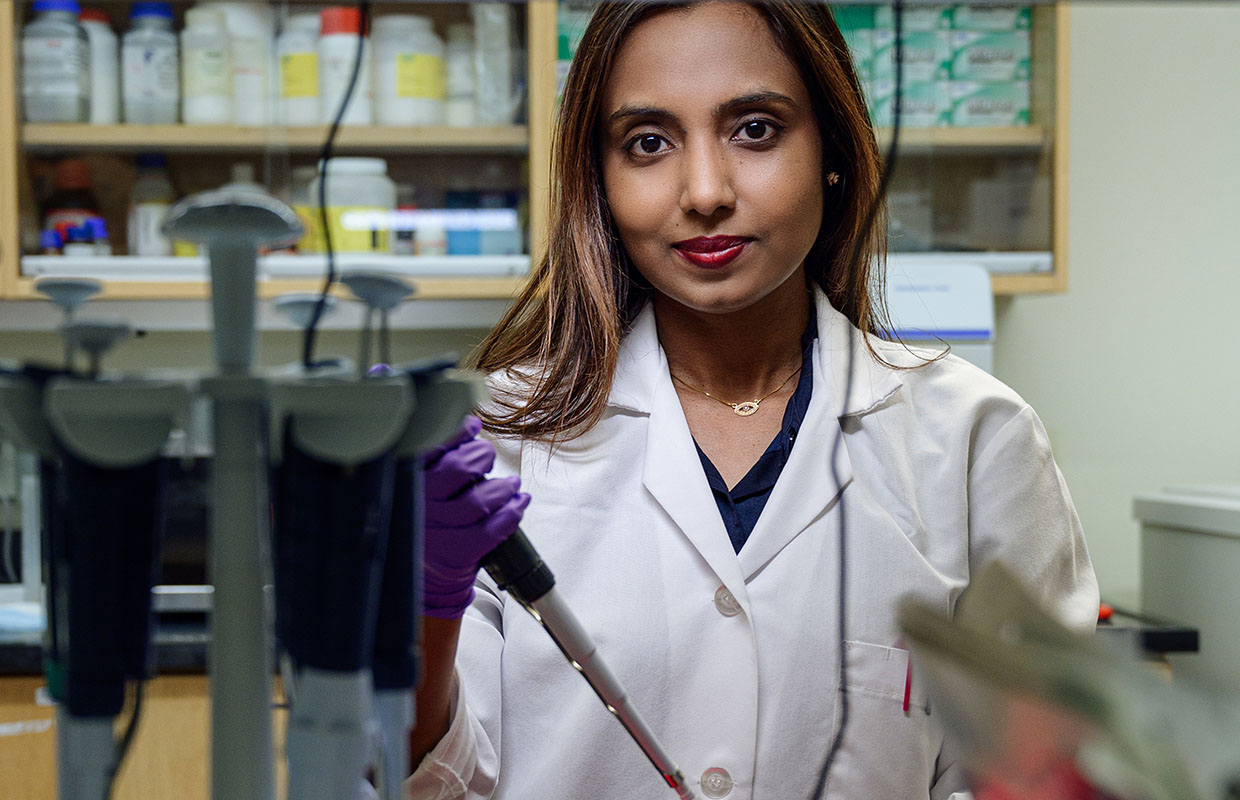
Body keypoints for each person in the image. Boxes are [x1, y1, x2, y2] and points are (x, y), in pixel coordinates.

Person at [407, 3, 1098, 799]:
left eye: (756, 130)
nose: (705, 191)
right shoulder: (498, 443)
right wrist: (423, 603)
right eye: (649, 143)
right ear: (600, 179)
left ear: (833, 152)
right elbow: (432, 784)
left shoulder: (977, 439)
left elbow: (1040, 776)